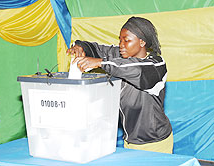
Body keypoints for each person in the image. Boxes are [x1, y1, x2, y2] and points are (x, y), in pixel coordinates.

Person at [67, 16, 173, 153]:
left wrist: (100, 63)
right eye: (120, 40)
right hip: (130, 142)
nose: (121, 44)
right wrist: (81, 47)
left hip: (155, 142)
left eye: (127, 40)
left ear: (142, 42)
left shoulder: (156, 65)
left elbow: (135, 69)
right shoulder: (121, 56)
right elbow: (97, 49)